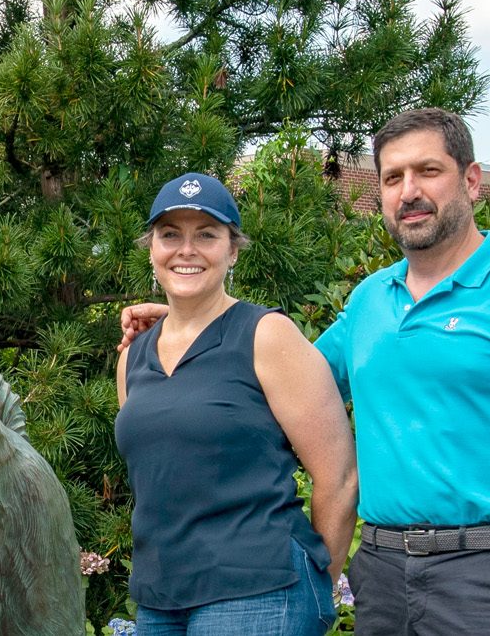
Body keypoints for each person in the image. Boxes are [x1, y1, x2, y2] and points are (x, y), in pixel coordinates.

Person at [123, 108, 490, 634]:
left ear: (472, 181)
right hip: (384, 568)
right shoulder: (370, 300)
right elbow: (279, 376)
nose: (409, 191)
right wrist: (190, 321)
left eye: (428, 171)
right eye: (393, 177)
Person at [115, 172, 357, 635]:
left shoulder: (266, 335)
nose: (187, 250)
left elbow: (339, 478)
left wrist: (318, 585)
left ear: (232, 251)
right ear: (152, 250)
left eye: (207, 235)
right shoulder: (133, 357)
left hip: (258, 590)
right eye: (170, 235)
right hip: (159, 597)